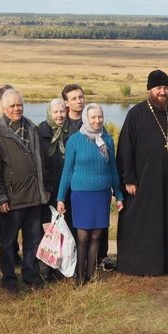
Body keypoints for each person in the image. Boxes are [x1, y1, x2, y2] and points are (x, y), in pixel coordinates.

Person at [116, 69, 168, 275]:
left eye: (166, 88)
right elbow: (125, 149)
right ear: (149, 90)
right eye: (158, 88)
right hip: (143, 181)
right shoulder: (136, 114)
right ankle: (140, 265)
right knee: (142, 224)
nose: (163, 92)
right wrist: (128, 178)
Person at [0, 89, 50, 291]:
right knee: (8, 242)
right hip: (12, 199)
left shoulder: (31, 128)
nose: (16, 109)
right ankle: (9, 279)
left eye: (19, 105)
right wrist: (1, 197)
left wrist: (43, 191)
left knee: (33, 239)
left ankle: (31, 275)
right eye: (12, 106)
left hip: (33, 196)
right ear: (4, 108)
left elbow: (40, 162)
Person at [56, 103, 124, 285]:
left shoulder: (107, 140)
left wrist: (119, 195)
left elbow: (113, 169)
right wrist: (61, 197)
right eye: (93, 117)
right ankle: (79, 276)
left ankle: (91, 274)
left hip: (102, 195)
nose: (97, 120)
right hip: (81, 195)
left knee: (96, 236)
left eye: (100, 116)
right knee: (83, 236)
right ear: (86, 118)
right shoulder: (75, 140)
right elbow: (67, 171)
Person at [38, 98, 71, 280]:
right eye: (55, 112)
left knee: (66, 228)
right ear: (49, 113)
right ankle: (48, 268)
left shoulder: (72, 131)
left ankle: (64, 266)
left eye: (62, 112)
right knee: (49, 229)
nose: (59, 115)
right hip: (48, 189)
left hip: (67, 188)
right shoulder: (40, 131)